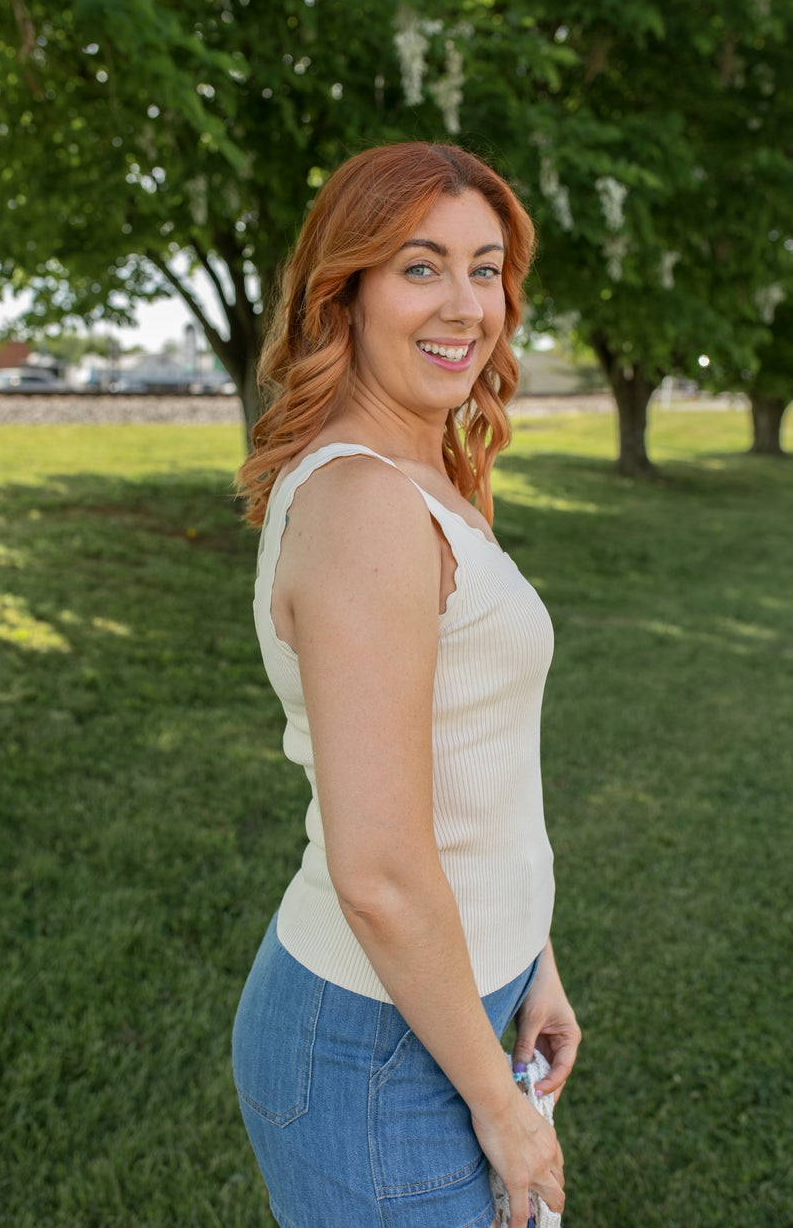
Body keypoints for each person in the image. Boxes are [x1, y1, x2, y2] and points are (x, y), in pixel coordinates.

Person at [233, 141, 581, 1228]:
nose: (467, 304)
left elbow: (475, 772)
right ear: (346, 288)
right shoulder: (365, 505)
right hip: (376, 1047)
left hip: (459, 1004)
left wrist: (533, 961)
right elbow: (378, 870)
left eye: (486, 269)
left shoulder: (428, 474)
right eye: (421, 266)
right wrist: (501, 1108)